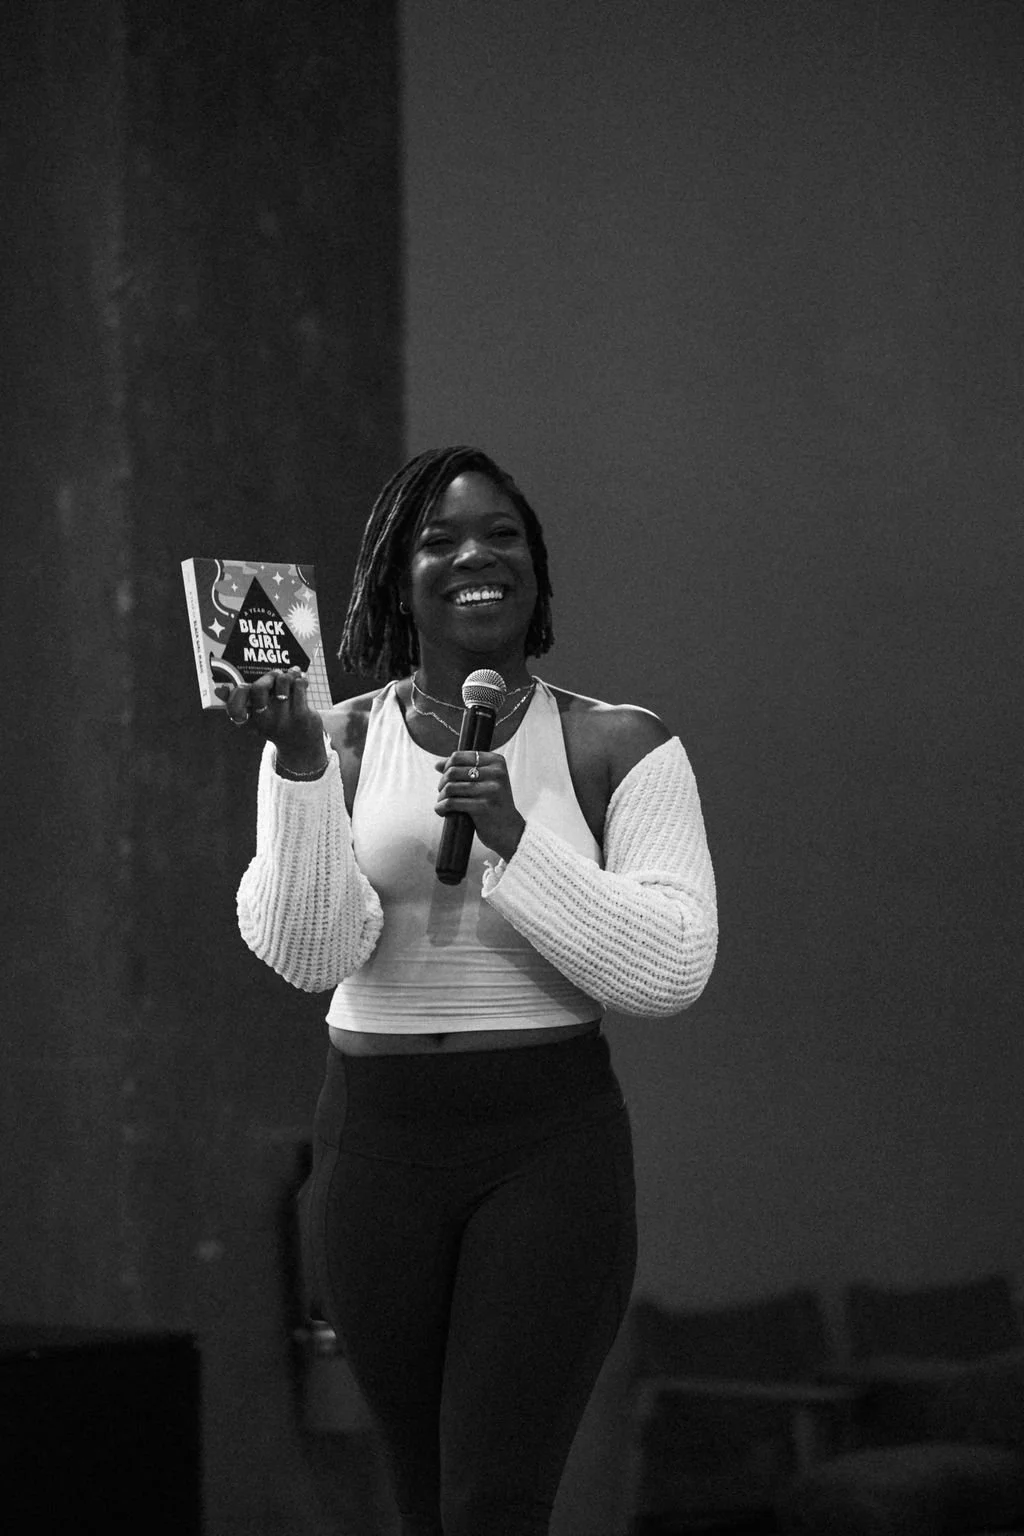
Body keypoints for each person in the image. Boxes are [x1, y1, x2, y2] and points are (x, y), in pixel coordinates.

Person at [218, 446, 718, 1536]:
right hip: (376, 1142)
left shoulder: (618, 743)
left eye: (502, 535)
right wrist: (299, 765)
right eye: (439, 540)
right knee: (421, 1495)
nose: (474, 557)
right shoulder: (332, 738)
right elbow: (311, 952)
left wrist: (511, 835)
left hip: (546, 1143)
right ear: (397, 579)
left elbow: (670, 967)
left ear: (537, 572)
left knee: (493, 1498)